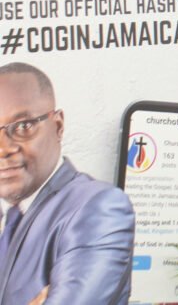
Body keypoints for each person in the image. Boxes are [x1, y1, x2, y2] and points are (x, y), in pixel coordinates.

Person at [0, 62, 134, 305]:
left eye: (23, 126)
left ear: (58, 126)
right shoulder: (5, 217)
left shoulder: (98, 207)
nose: (3, 149)